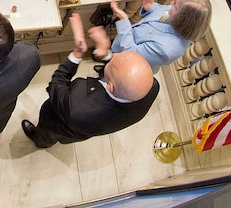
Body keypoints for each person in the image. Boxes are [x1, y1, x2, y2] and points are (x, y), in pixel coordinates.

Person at [20, 13, 158, 148]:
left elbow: (56, 85)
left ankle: (41, 141)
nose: (114, 54)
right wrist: (106, 54)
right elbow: (122, 73)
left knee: (48, 134)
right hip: (89, 126)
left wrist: (77, 53)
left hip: (61, 124)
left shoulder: (77, 108)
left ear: (110, 86)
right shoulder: (151, 86)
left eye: (113, 60)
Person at [91, 0, 212, 74]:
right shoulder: (178, 16)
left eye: (175, 5)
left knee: (114, 72)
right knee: (110, 61)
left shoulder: (167, 49)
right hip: (127, 40)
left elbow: (131, 53)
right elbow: (161, 12)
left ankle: (105, 73)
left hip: (129, 64)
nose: (170, 4)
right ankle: (105, 67)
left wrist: (123, 20)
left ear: (183, 18)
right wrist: (149, 8)